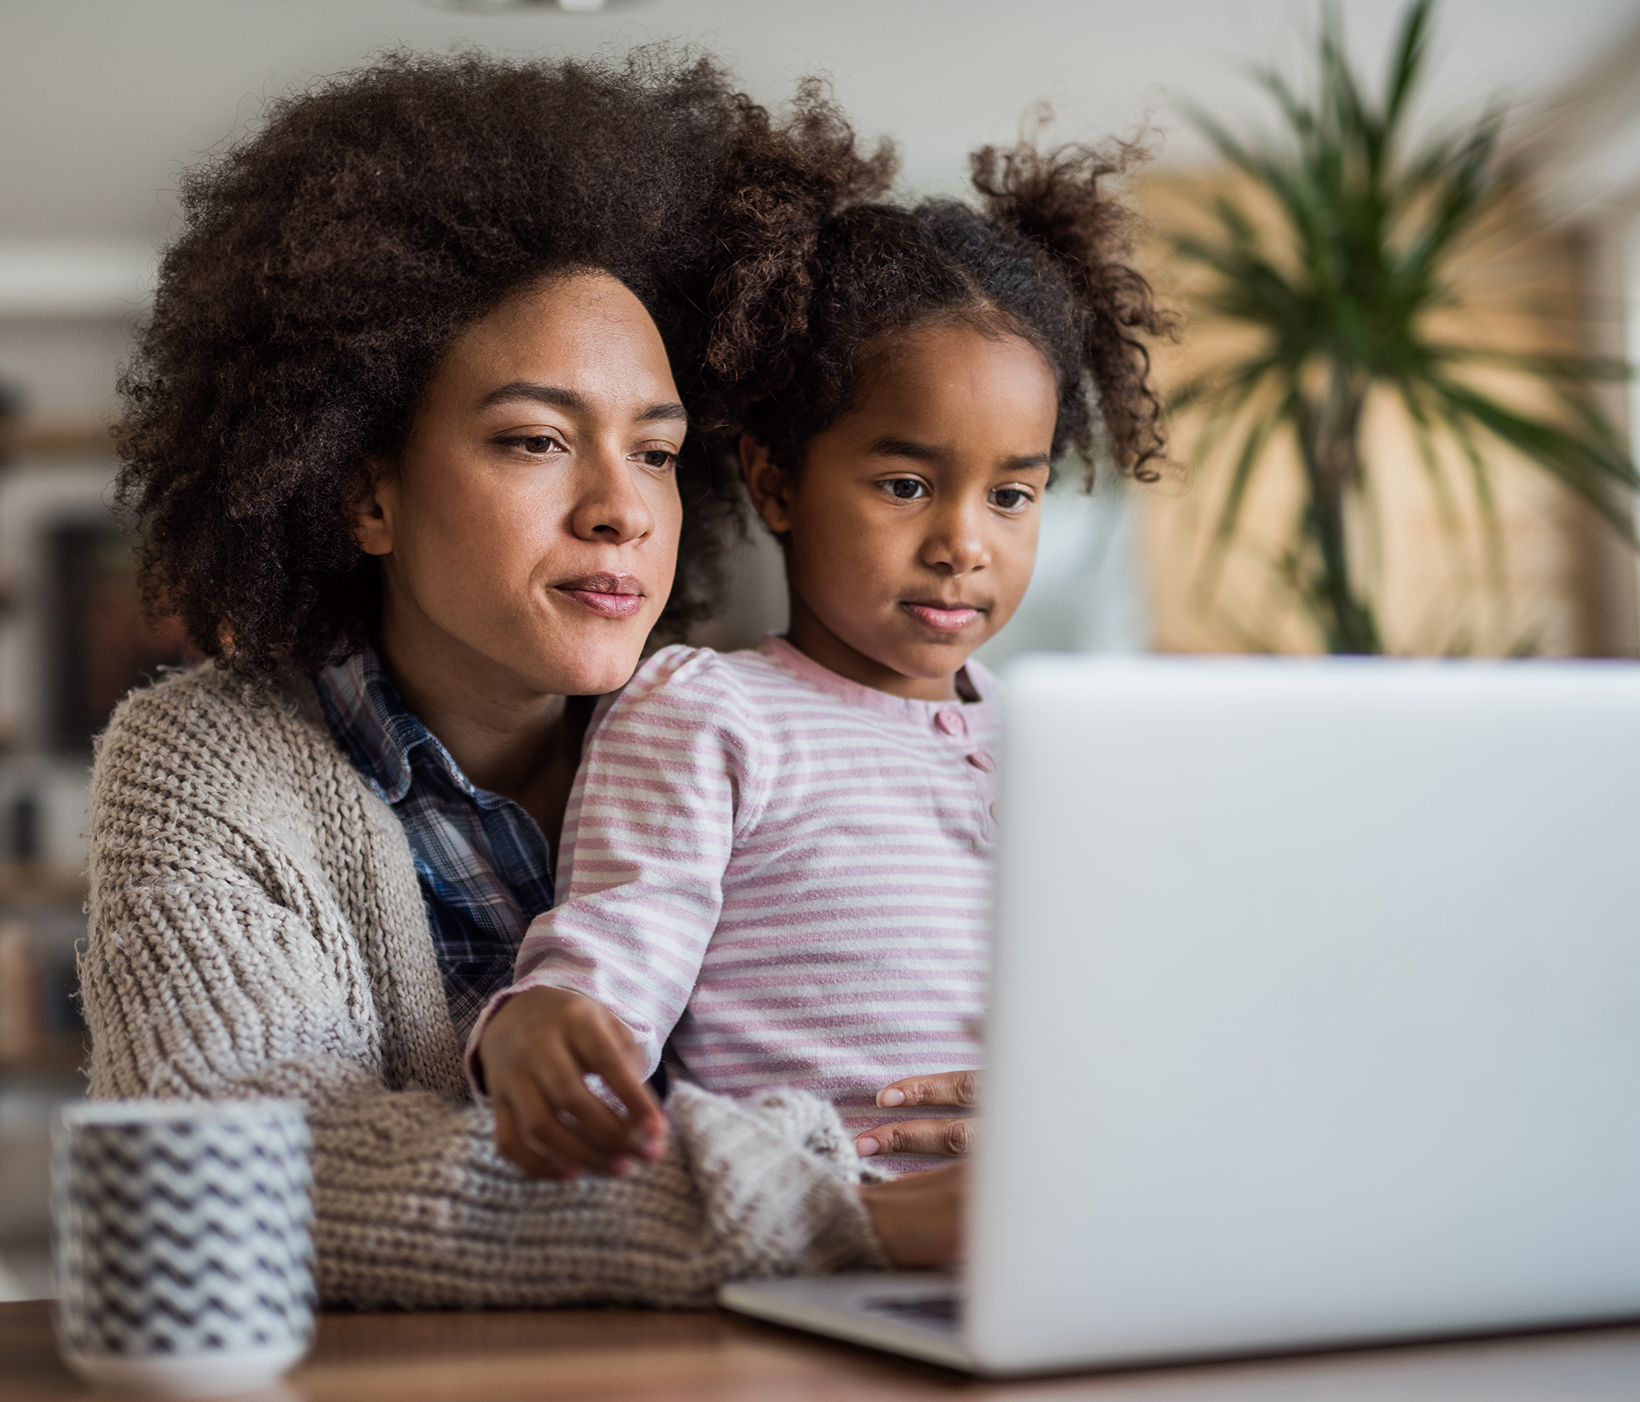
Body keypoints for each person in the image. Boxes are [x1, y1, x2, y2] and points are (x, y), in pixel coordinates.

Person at [80, 49, 961, 1309]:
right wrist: (839, 1203)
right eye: (536, 440)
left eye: (656, 452)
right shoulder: (202, 768)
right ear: (365, 487)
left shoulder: (735, 733)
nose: (620, 510)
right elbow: (230, 1182)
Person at [473, 125, 1170, 1177]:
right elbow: (610, 961)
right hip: (828, 1239)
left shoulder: (1058, 741)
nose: (962, 545)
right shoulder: (705, 714)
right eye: (905, 485)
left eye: (1011, 495)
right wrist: (537, 1026)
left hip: (1061, 1222)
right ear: (777, 482)